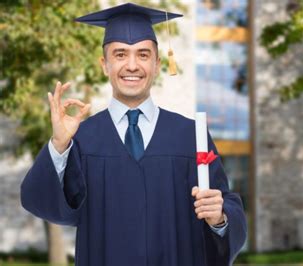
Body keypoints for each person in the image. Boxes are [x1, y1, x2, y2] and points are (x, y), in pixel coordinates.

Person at [20, 3, 247, 266]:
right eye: (120, 54)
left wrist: (219, 219)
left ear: (157, 63)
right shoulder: (83, 138)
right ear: (105, 65)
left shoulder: (190, 136)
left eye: (142, 54)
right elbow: (43, 203)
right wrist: (59, 144)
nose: (131, 65)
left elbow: (224, 206)